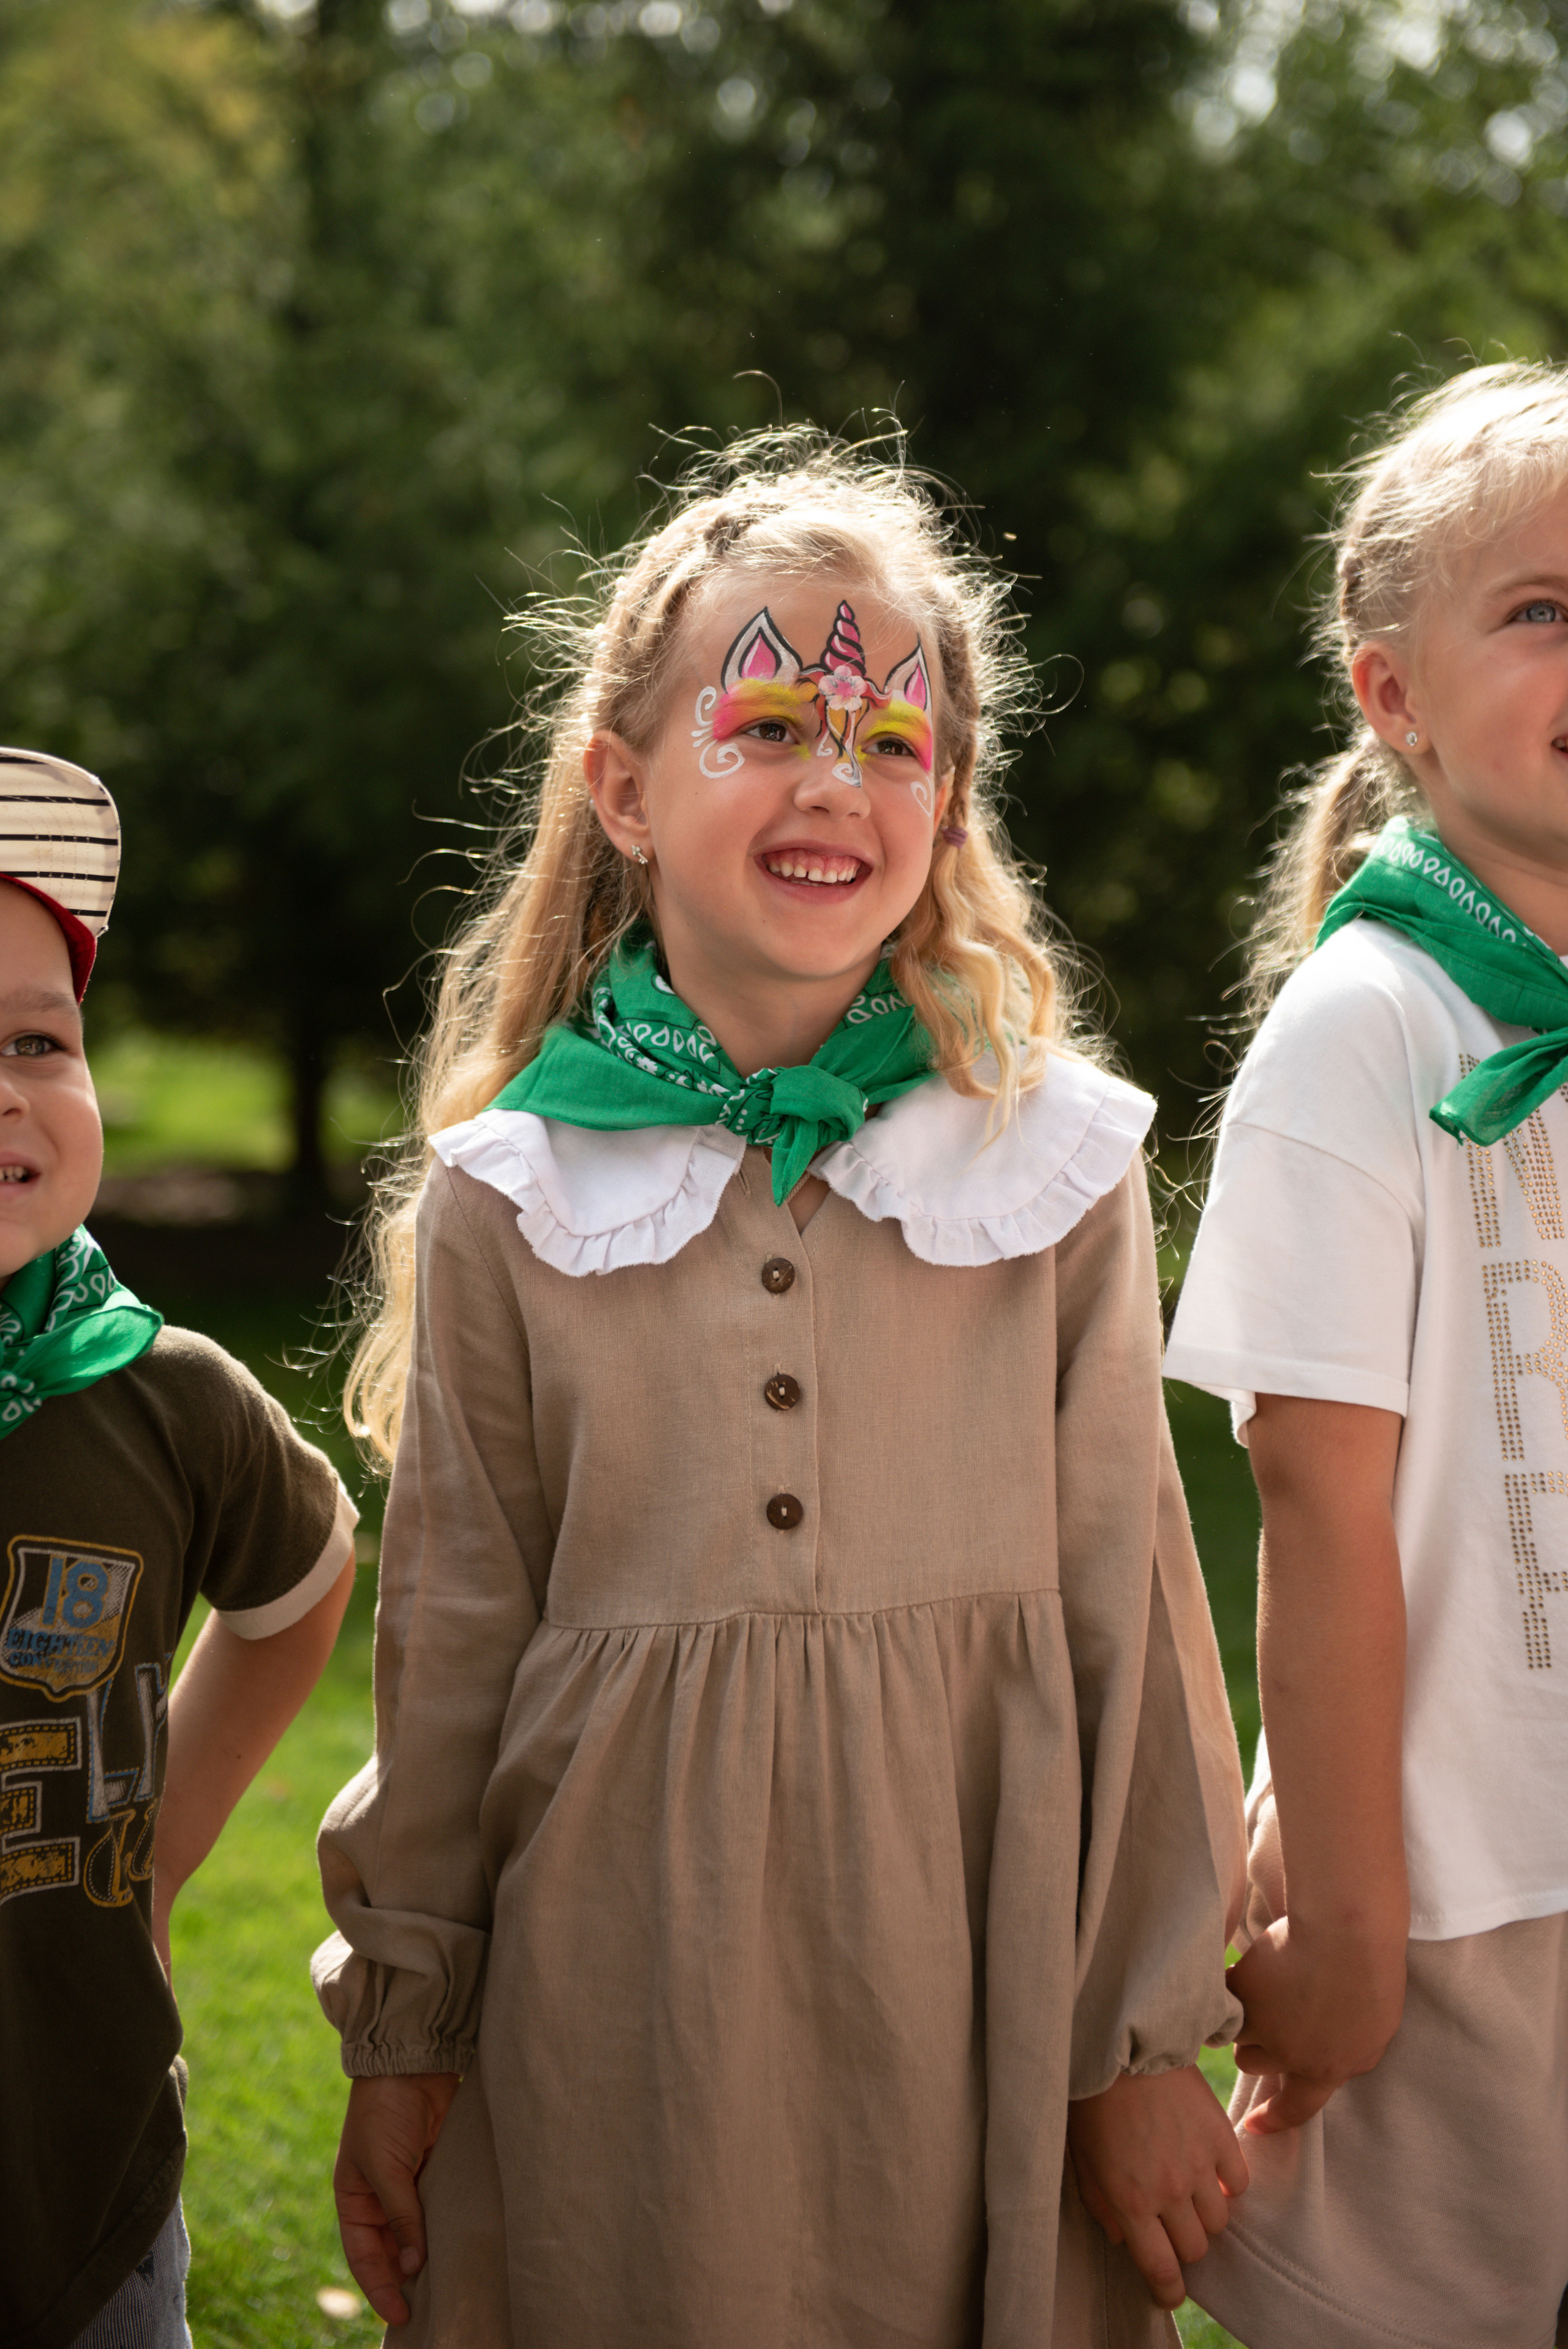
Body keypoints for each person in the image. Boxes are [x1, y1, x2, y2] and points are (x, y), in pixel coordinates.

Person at [314, 436, 1247, 2348]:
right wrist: (408, 2026)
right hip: (619, 1987)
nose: (838, 778)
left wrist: (1138, 2031)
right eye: (764, 723)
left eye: (897, 743)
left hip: (969, 1959)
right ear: (625, 788)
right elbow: (455, 1638)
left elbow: (1133, 1616)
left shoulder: (1046, 1169)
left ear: (954, 798)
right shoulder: (517, 1193)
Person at [1165, 358, 1568, 2349]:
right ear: (1390, 689)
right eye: (1542, 607)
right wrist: (1338, 1921)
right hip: (1463, 1897)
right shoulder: (1365, 1037)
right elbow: (1316, 1507)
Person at [0, 747, 360, 2349]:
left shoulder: (158, 1390)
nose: (9, 1088)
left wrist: (159, 1852)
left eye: (38, 1041)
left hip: (86, 2193)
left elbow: (301, 1580)